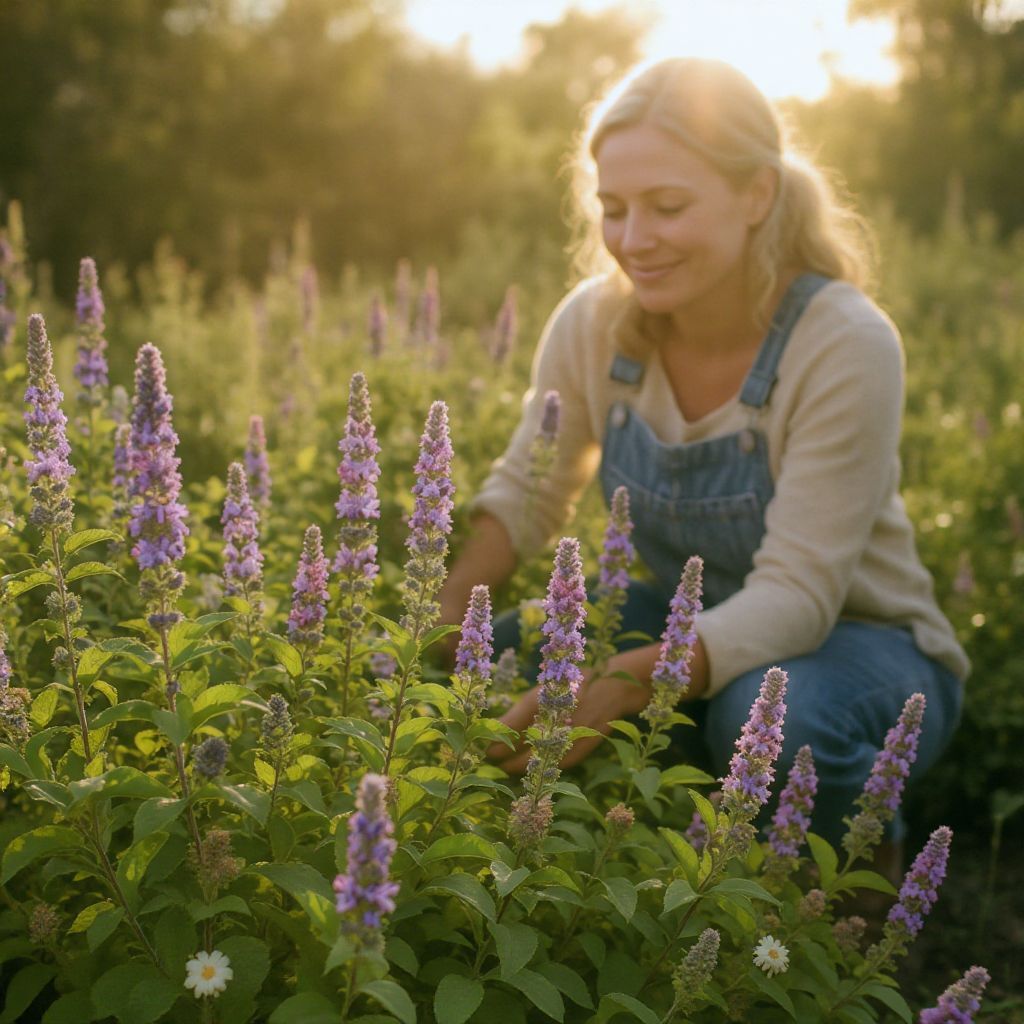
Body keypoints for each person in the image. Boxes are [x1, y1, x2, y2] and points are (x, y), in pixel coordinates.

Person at [436, 57, 968, 858]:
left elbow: (799, 594)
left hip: (863, 644)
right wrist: (439, 633)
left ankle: (855, 881)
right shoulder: (593, 325)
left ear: (757, 194)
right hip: (683, 620)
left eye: (668, 206)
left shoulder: (842, 342)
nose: (632, 240)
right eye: (613, 209)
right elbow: (528, 489)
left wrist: (620, 685)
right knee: (509, 656)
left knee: (771, 722)